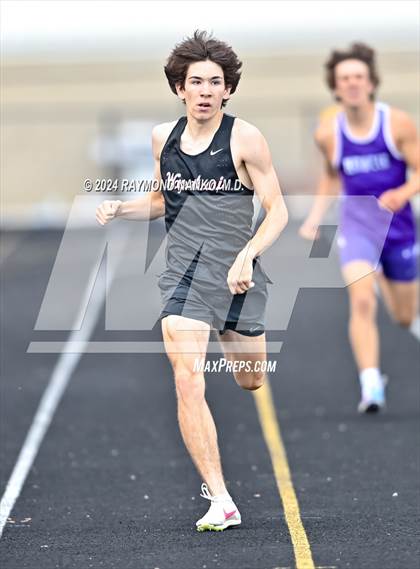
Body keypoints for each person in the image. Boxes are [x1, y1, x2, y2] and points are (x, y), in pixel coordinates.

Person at [96, 31, 288, 531]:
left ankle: (241, 343)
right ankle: (220, 497)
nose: (205, 90)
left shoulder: (245, 138)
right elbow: (163, 199)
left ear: (228, 90)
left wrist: (248, 254)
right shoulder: (164, 137)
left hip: (239, 277)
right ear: (179, 88)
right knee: (187, 380)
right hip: (184, 276)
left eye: (215, 83)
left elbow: (278, 210)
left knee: (251, 378)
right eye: (195, 81)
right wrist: (123, 206)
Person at [300, 43, 419, 413]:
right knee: (362, 299)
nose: (352, 84)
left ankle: (384, 274)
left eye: (358, 77)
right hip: (357, 226)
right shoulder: (327, 133)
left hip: (399, 229)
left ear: (371, 83)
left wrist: (403, 191)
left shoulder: (396, 123)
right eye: (344, 78)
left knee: (403, 316)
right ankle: (371, 385)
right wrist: (316, 215)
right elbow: (331, 175)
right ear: (335, 87)